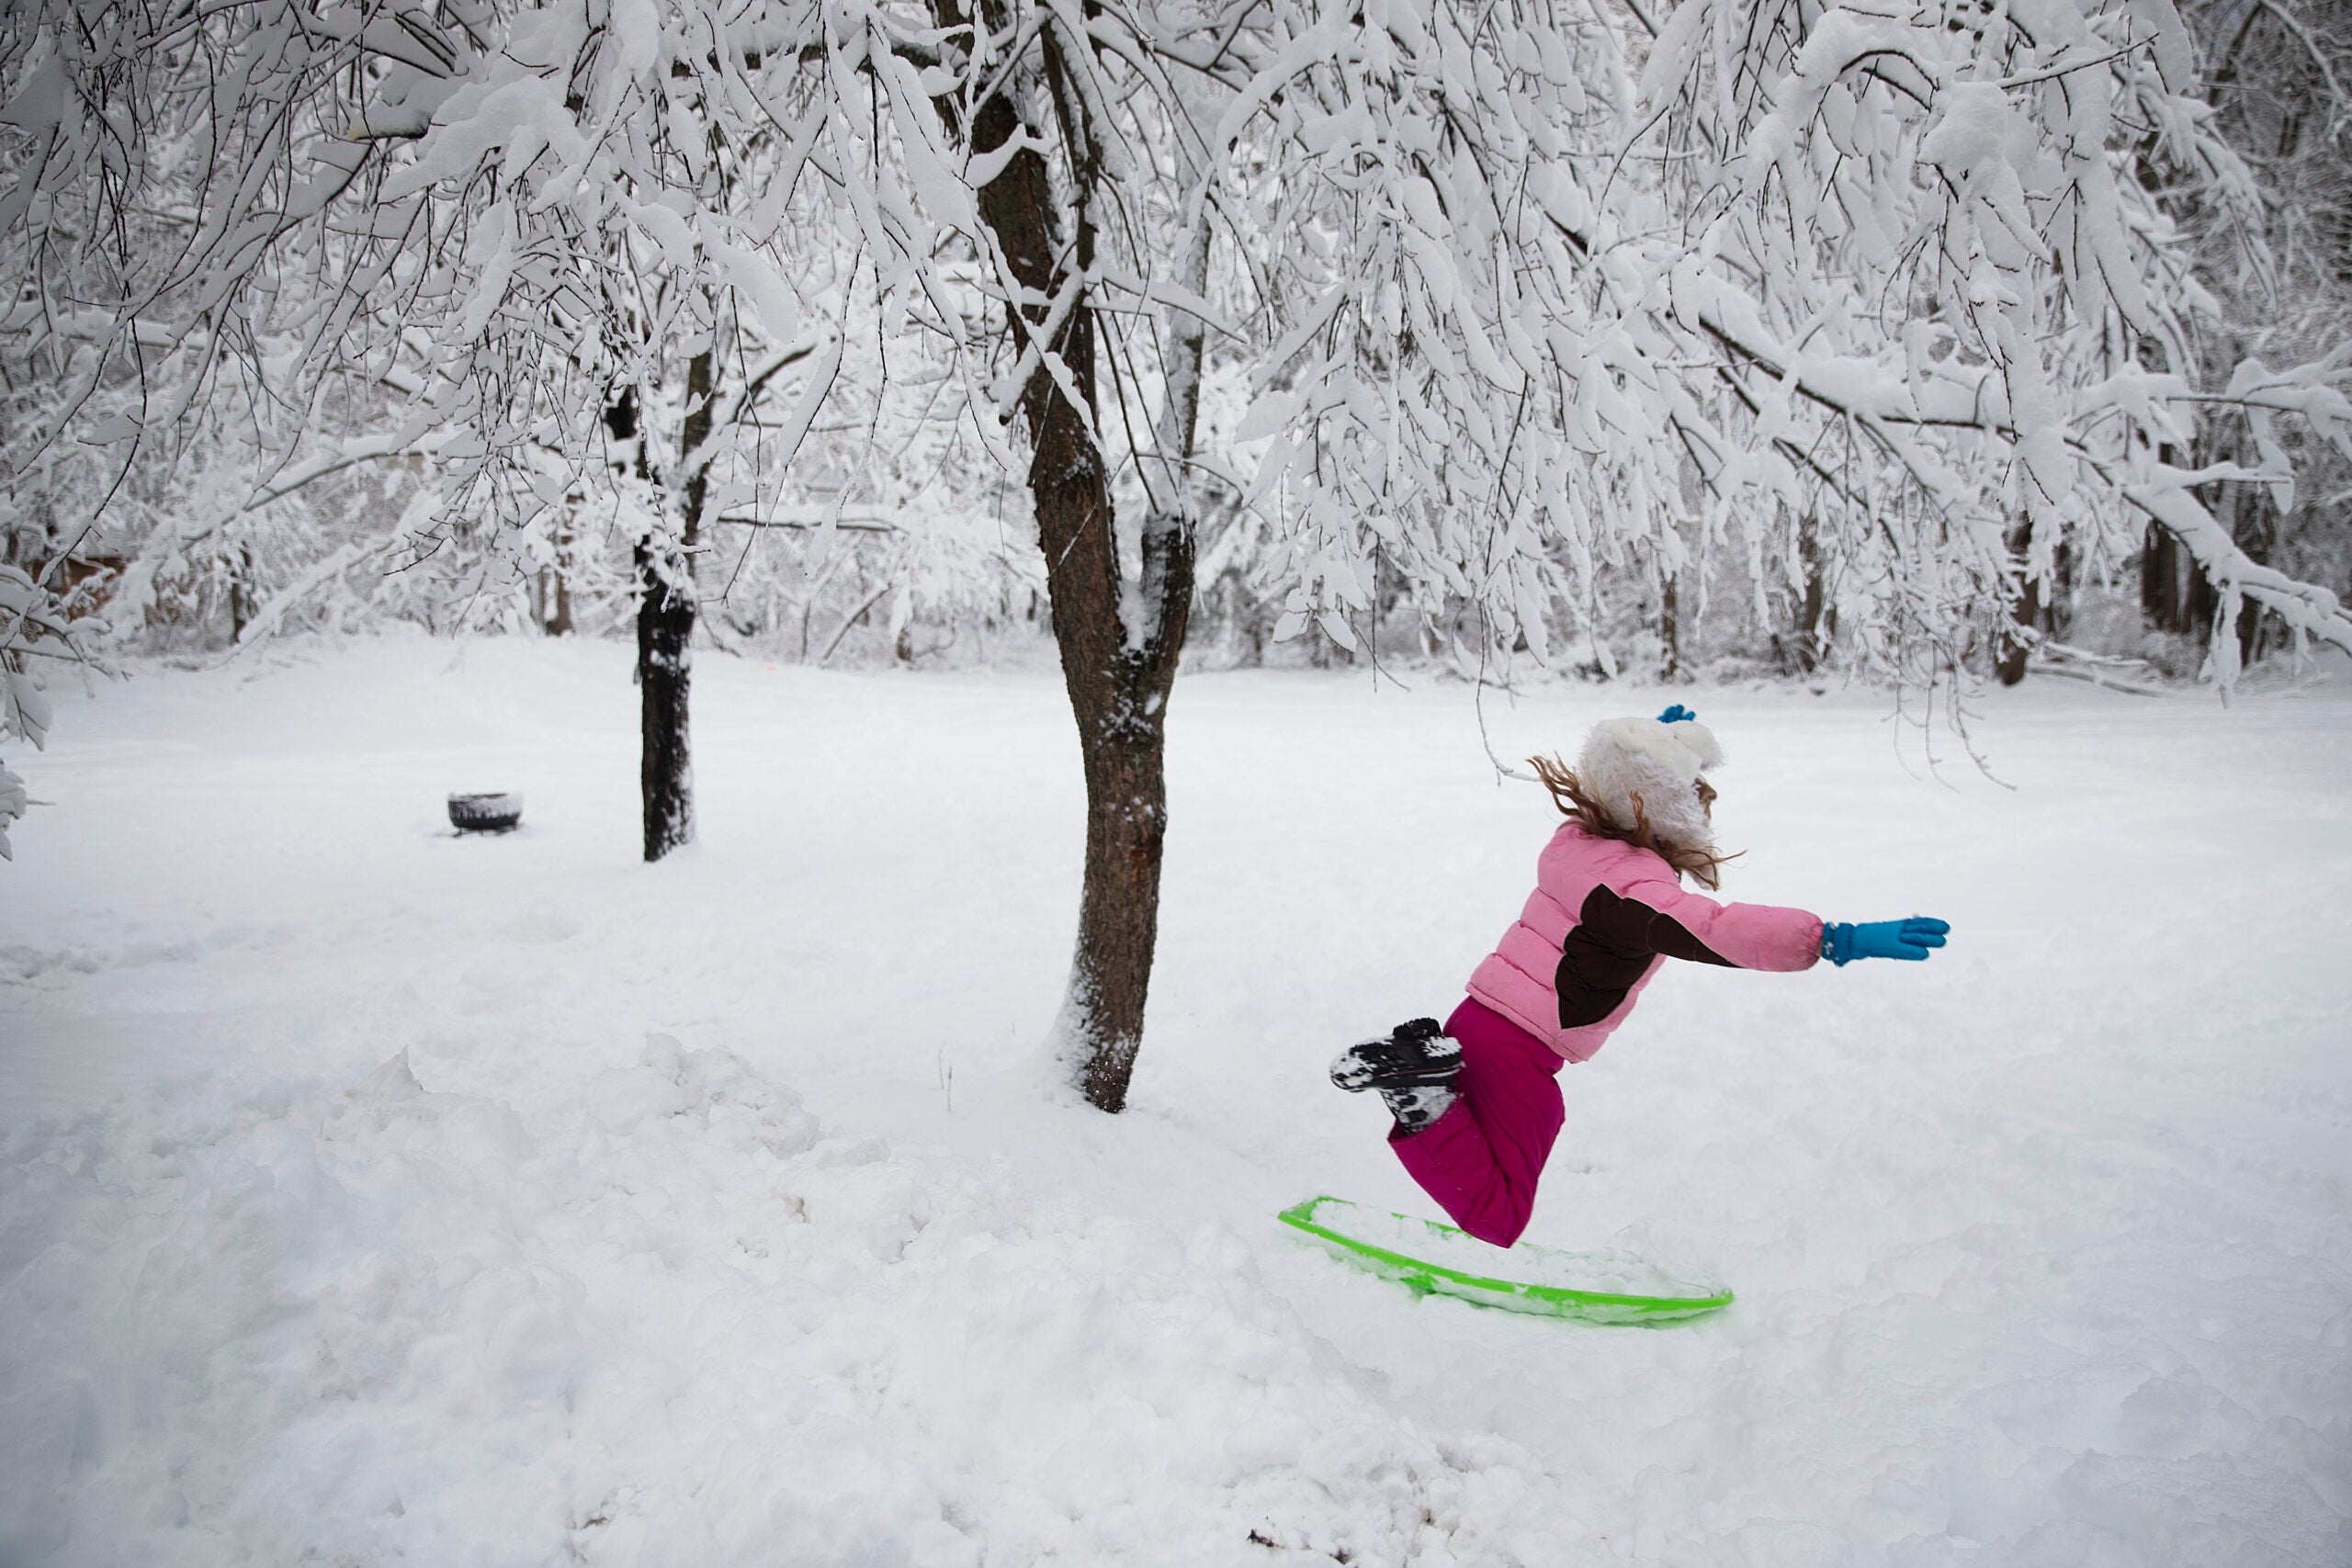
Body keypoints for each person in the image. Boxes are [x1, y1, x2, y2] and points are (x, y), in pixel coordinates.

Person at [1330, 705, 1949, 1248]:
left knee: (1533, 1126)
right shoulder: (1634, 892)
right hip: (1519, 1046)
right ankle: (1421, 1092)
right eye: (1695, 803)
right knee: (1499, 1215)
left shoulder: (1577, 844)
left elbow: (1619, 788)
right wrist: (1832, 939)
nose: (1703, 816)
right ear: (1664, 814)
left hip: (1481, 1022)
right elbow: (1714, 927)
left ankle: (1424, 1070)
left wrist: (1649, 744)